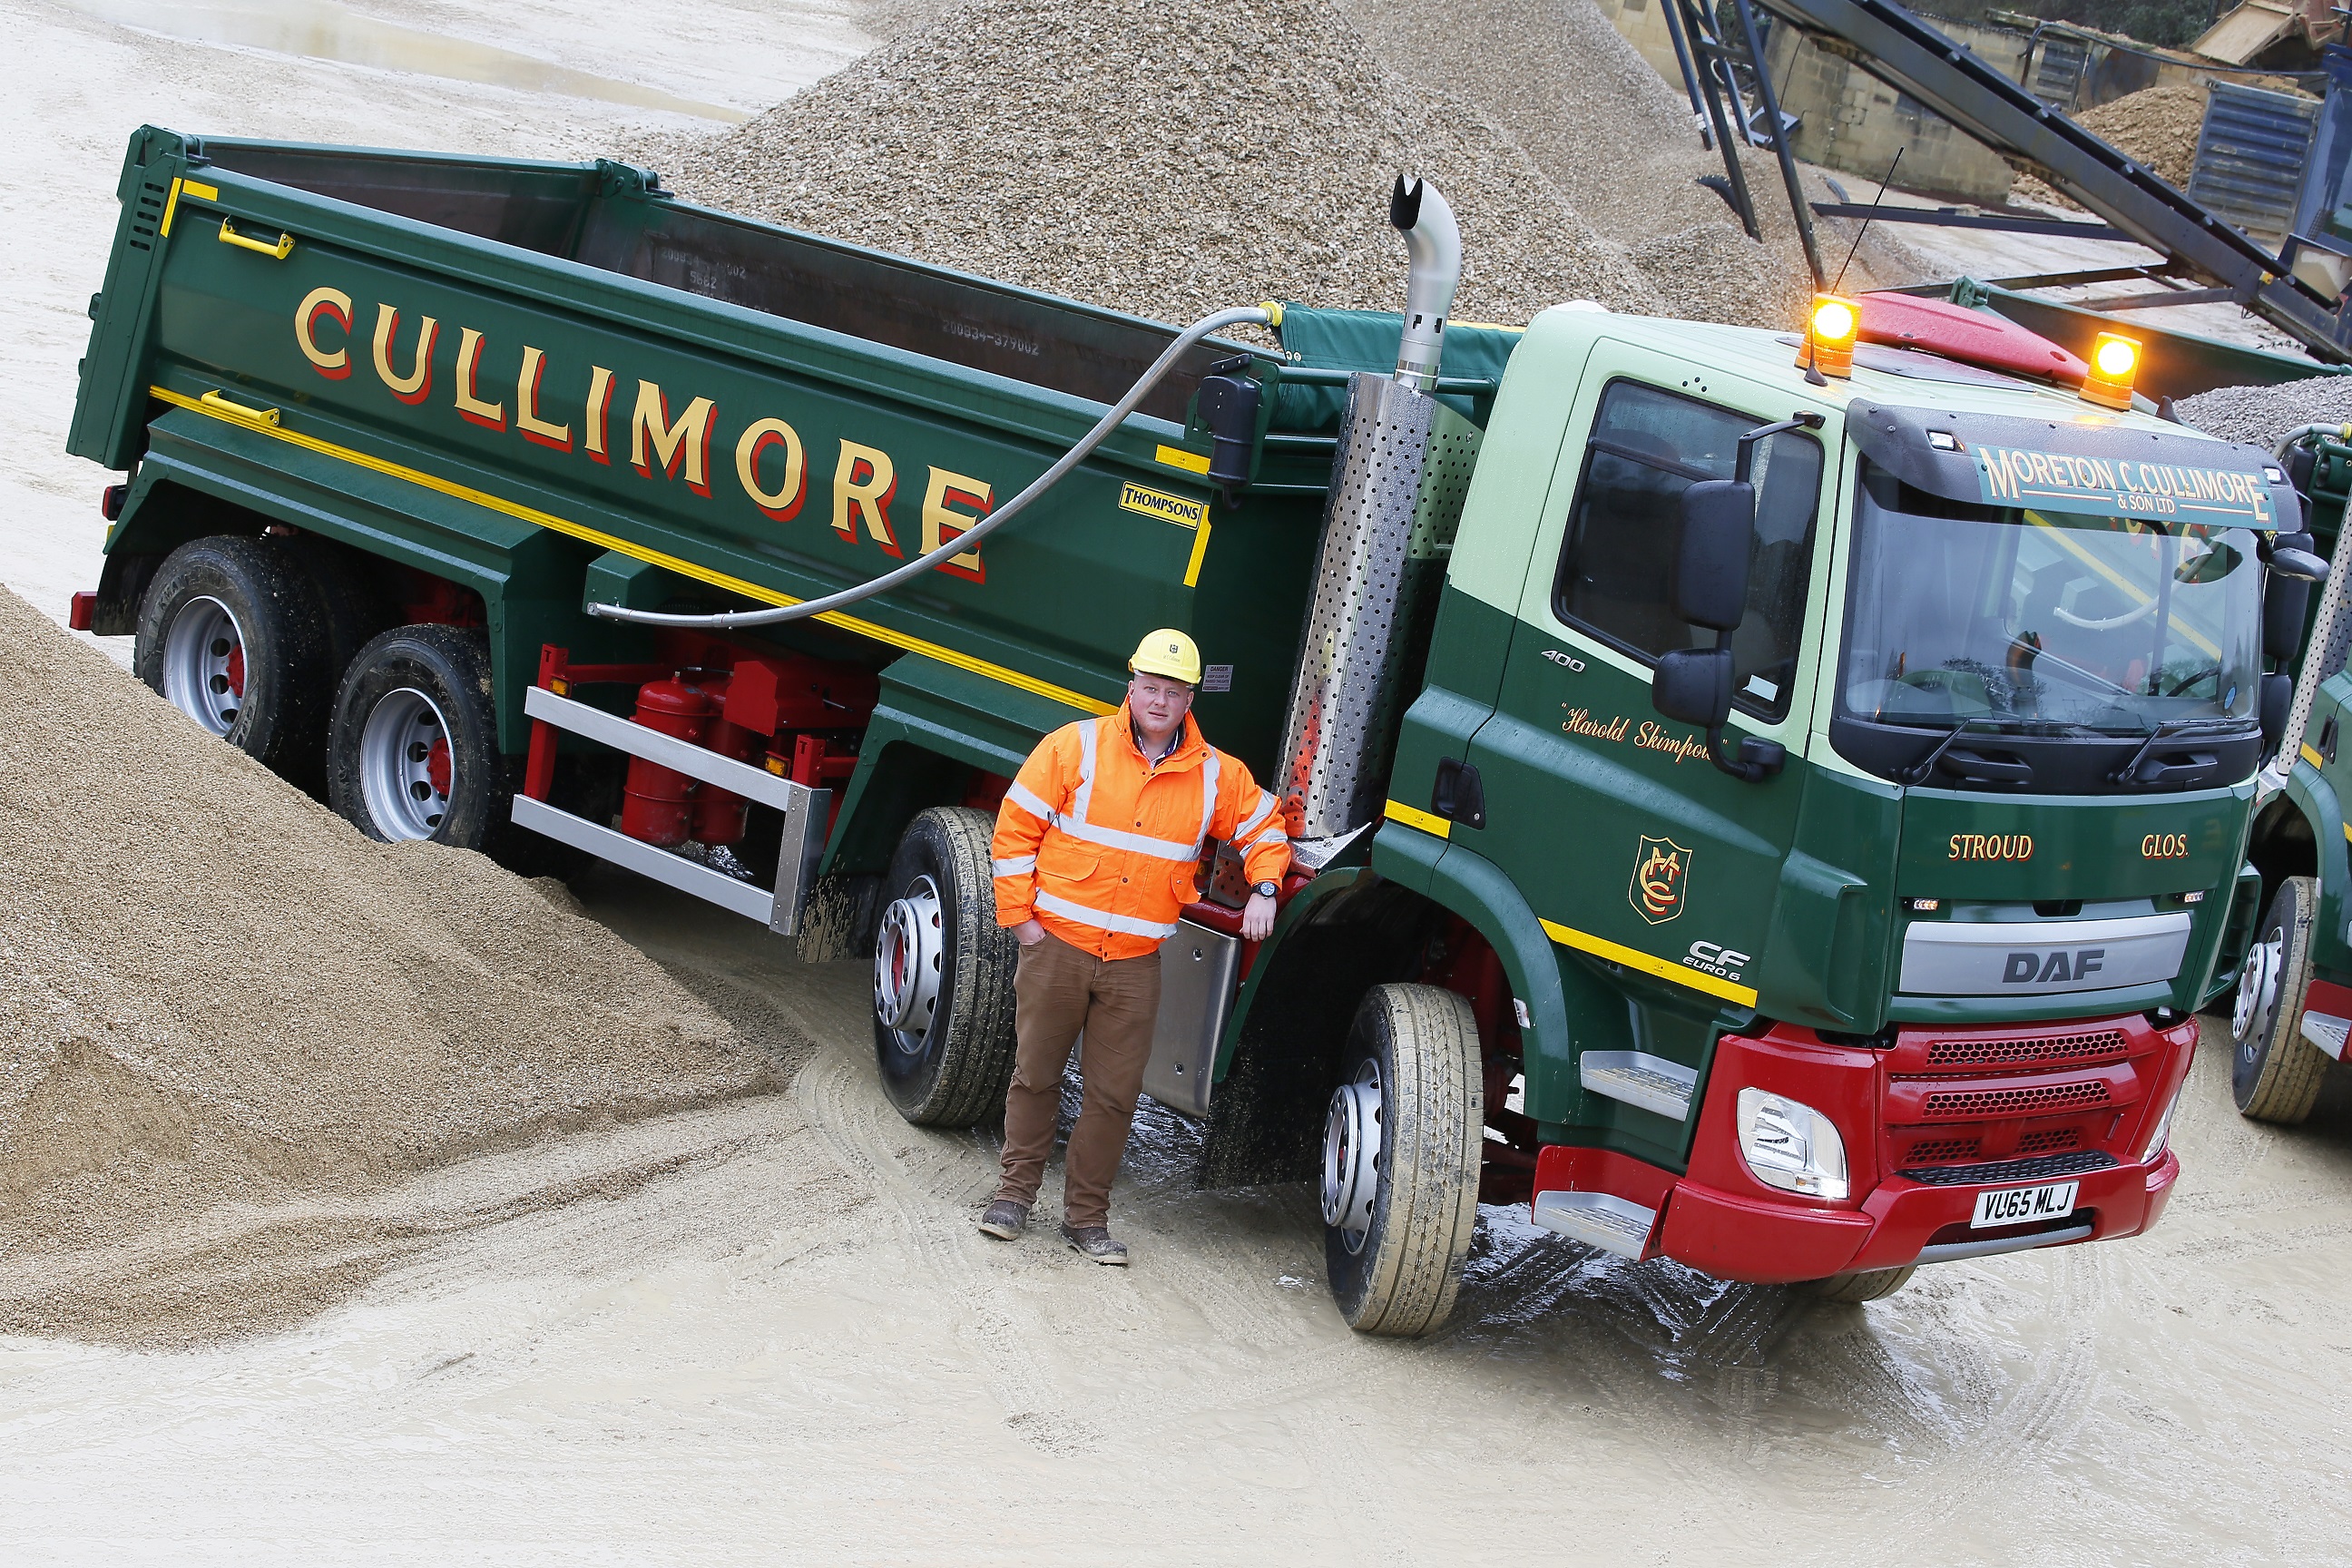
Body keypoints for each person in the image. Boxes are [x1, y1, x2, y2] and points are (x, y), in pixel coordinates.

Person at [978, 629, 1291, 1263]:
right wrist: (1023, 925)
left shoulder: (1215, 776)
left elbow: (1264, 825)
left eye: (1173, 691)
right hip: (1058, 948)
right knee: (1035, 1076)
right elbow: (1013, 834)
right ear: (1132, 688)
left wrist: (1264, 887)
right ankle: (1012, 1198)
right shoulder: (1074, 747)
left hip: (1133, 965)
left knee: (1114, 1096)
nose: (1160, 699)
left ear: (1189, 699)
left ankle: (1086, 1221)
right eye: (1150, 686)